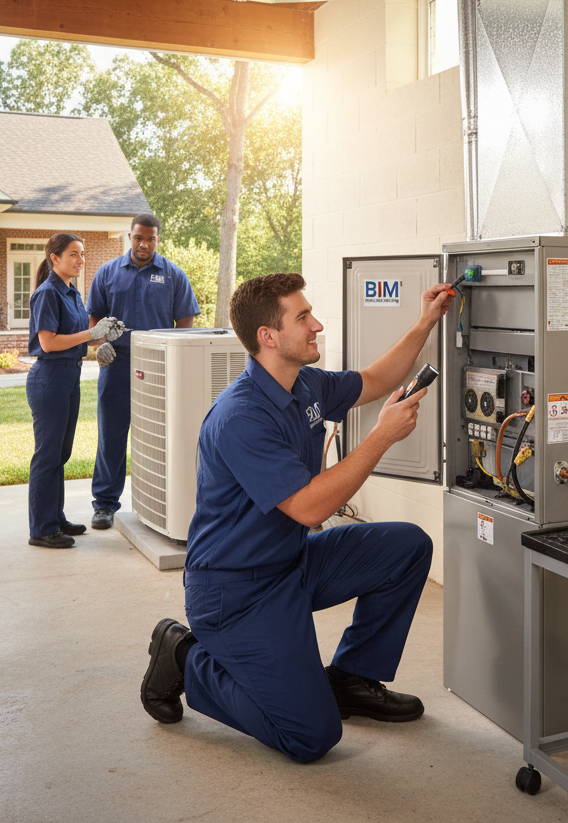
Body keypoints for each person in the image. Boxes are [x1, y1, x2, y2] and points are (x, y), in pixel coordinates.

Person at [139, 272, 452, 762]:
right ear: (268, 337)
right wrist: (382, 436)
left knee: (407, 546)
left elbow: (374, 381)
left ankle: (350, 677)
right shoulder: (241, 416)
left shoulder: (303, 383)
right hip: (235, 591)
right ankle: (183, 654)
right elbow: (310, 508)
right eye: (303, 318)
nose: (317, 325)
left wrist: (425, 321)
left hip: (291, 563)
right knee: (311, 736)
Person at [86, 213, 200, 530]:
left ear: (157, 239)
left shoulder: (173, 275)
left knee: (162, 434)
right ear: (130, 236)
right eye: (138, 238)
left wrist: (176, 359)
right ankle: (105, 505)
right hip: (117, 362)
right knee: (111, 434)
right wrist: (99, 347)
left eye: (150, 239)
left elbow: (186, 323)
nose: (144, 244)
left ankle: (160, 501)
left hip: (159, 366)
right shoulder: (108, 273)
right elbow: (93, 318)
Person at [25, 233, 123, 549]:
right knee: (47, 455)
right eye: (73, 254)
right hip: (49, 380)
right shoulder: (47, 293)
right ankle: (41, 529)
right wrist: (91, 333)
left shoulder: (71, 292)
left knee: (60, 454)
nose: (80, 260)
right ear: (54, 258)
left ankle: (55, 518)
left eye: (82, 254)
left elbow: (79, 336)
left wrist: (102, 339)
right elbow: (49, 342)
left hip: (69, 378)